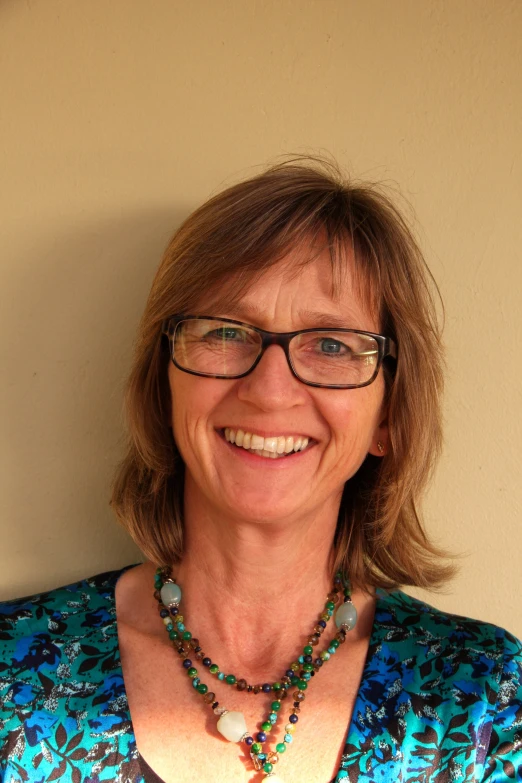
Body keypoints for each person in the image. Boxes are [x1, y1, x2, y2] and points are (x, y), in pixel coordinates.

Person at [0, 159, 520, 783]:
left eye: (331, 344)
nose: (270, 390)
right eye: (226, 332)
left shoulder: (482, 703)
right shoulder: (13, 680)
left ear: (388, 417)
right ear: (164, 387)